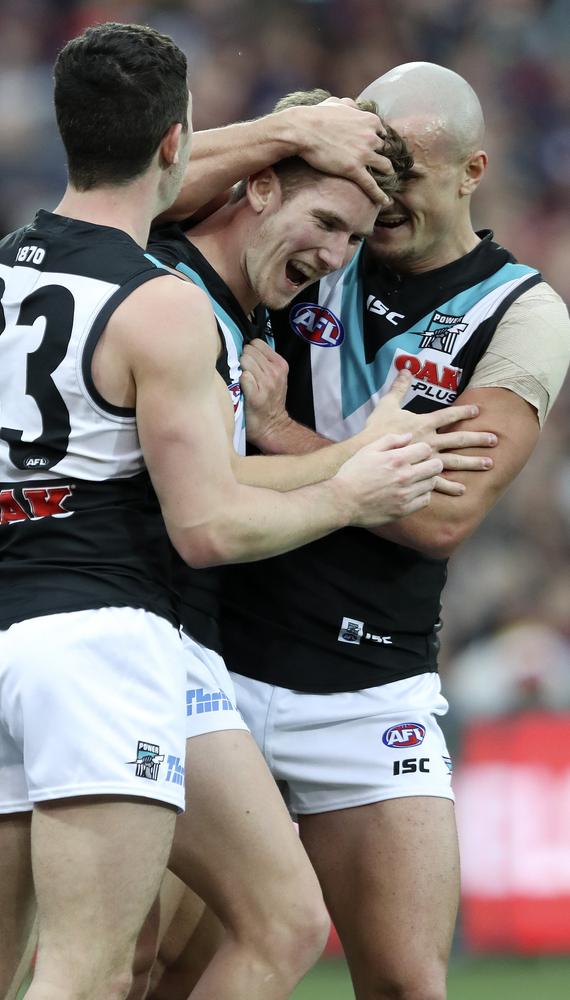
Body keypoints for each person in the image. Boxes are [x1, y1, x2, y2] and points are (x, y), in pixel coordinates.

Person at [0, 23, 451, 1000]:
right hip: (106, 639)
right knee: (89, 966)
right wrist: (347, 486)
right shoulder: (159, 301)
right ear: (179, 144)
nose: (338, 254)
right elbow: (205, 525)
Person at [143, 66, 570, 1000]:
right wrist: (279, 140)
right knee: (158, 967)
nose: (377, 204)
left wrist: (275, 429)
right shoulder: (307, 231)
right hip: (219, 660)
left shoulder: (520, 315)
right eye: (368, 169)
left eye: (406, 175)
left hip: (370, 685)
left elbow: (441, 513)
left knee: (410, 983)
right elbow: (140, 185)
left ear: (473, 171)